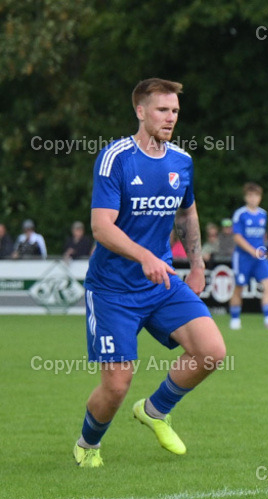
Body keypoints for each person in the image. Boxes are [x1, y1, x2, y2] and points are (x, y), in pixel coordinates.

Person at [74, 78, 226, 468]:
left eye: (175, 110)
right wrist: (145, 255)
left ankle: (156, 410)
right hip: (113, 291)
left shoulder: (181, 161)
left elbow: (186, 212)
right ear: (140, 112)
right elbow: (101, 227)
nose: (171, 117)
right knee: (117, 385)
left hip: (160, 284)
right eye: (162, 109)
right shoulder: (115, 159)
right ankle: (88, 445)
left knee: (211, 352)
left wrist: (196, 264)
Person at [229, 182, 268, 330]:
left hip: (259, 257)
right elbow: (237, 237)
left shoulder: (263, 214)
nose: (253, 198)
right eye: (250, 195)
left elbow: (260, 237)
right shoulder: (240, 214)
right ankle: (235, 320)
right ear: (245, 197)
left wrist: (260, 251)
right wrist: (252, 251)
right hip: (243, 257)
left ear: (260, 198)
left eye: (256, 195)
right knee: (239, 288)